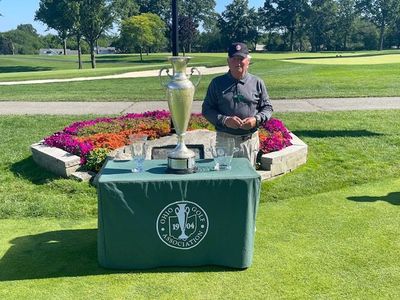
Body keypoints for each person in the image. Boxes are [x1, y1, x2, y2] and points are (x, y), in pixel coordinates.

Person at [202, 42, 273, 166]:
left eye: (241, 59)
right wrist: (224, 120)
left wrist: (256, 120)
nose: (238, 62)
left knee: (247, 179)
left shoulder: (257, 82)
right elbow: (207, 109)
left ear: (248, 61)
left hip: (249, 141)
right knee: (225, 179)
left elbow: (267, 108)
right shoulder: (217, 83)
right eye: (234, 59)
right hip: (224, 141)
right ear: (228, 61)